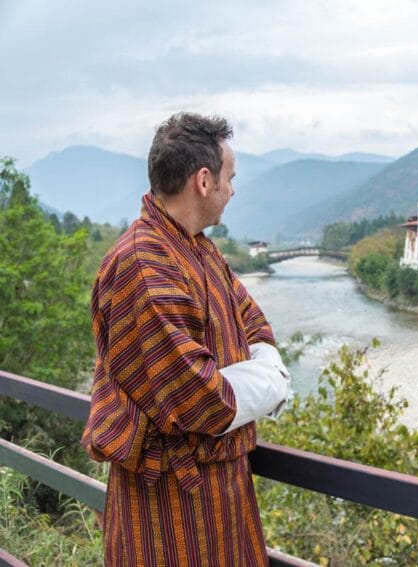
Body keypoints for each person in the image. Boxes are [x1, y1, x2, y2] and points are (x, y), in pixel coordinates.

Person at [82, 113, 291, 566]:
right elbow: (201, 399)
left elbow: (253, 320)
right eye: (229, 178)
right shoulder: (143, 265)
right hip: (166, 504)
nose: (232, 189)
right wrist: (274, 380)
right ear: (203, 180)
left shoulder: (199, 249)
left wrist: (256, 366)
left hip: (222, 491)